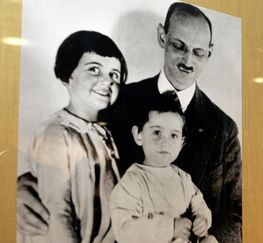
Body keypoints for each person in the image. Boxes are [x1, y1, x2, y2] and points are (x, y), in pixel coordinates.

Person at [18, 2, 241, 243]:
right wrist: (23, 187)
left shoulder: (224, 128)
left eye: (198, 52)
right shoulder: (116, 101)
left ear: (210, 52)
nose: (188, 60)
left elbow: (238, 211)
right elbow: (73, 158)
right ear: (162, 37)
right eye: (179, 46)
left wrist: (213, 239)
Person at [19, 30, 128, 243]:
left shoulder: (102, 134)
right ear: (68, 75)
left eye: (114, 74)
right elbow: (58, 214)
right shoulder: (57, 133)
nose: (106, 81)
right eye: (94, 70)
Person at [110, 92, 217, 243]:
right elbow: (124, 228)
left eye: (173, 136)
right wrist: (170, 227)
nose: (165, 142)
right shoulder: (133, 181)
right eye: (157, 132)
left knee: (210, 241)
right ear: (138, 135)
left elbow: (198, 203)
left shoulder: (183, 178)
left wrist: (202, 219)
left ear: (182, 142)